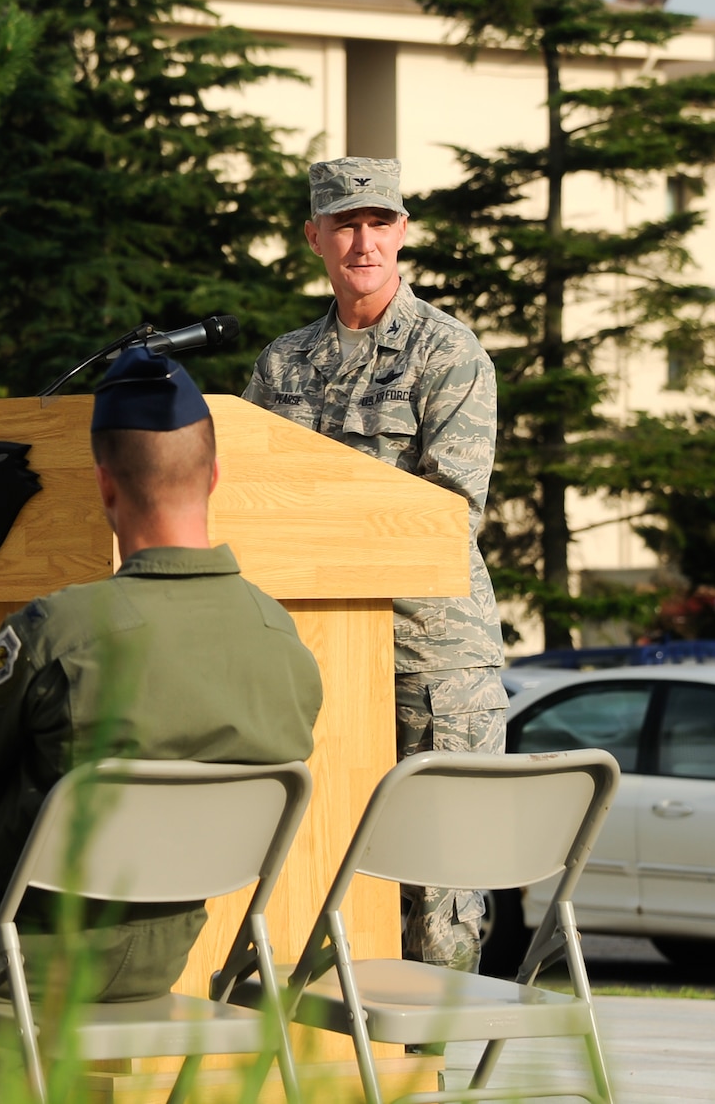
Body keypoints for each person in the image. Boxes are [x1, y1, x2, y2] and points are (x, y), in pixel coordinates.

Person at [0, 347, 323, 1003]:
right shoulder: (282, 644)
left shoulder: (59, 633)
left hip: (0, 952)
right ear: (215, 475)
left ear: (105, 485)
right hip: (165, 955)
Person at [241, 155, 507, 971]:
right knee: (317, 867)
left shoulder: (446, 354)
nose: (364, 240)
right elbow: (247, 500)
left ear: (403, 233)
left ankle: (424, 1073)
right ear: (314, 236)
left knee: (438, 890)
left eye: (380, 221)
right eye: (346, 223)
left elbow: (446, 515)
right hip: (315, 659)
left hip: (429, 660)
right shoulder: (282, 365)